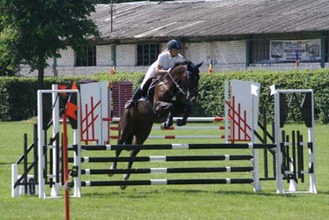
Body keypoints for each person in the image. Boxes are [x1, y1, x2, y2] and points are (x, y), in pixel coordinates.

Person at [125, 39, 185, 109]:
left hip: (169, 73)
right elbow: (158, 70)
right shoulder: (162, 56)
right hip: (156, 70)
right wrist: (168, 71)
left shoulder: (180, 58)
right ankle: (132, 100)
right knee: (145, 82)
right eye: (175, 50)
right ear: (170, 50)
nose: (177, 52)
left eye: (178, 50)